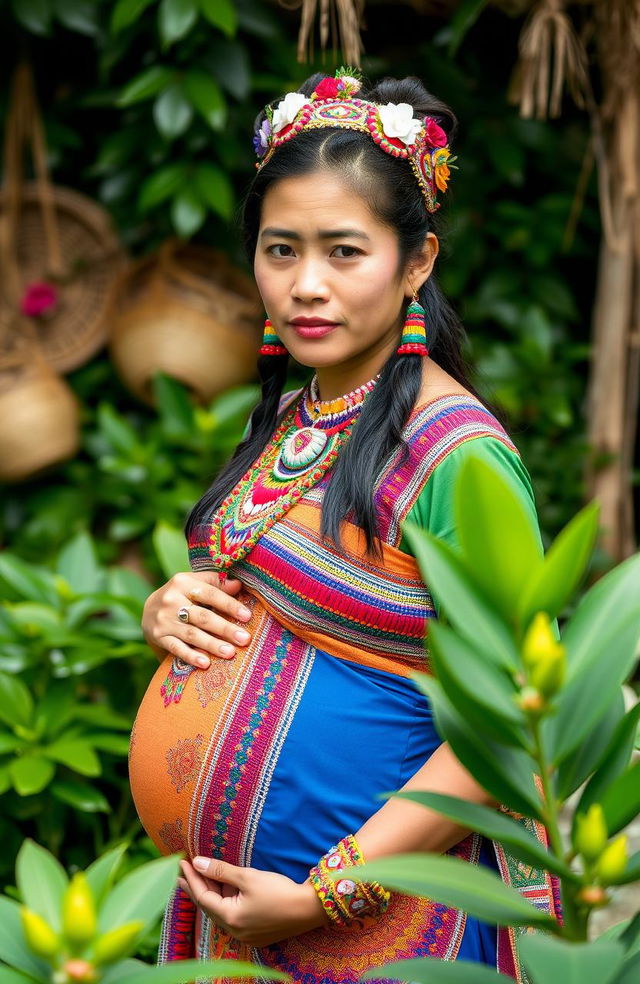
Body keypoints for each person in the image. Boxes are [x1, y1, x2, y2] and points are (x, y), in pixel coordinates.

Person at [129, 70, 561, 983]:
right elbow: (252, 603)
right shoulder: (295, 416)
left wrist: (328, 892)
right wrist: (167, 610)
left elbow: (514, 717)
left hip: (386, 921)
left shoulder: (457, 456)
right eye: (280, 250)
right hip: (229, 912)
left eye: (344, 252)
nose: (306, 286)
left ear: (418, 262)